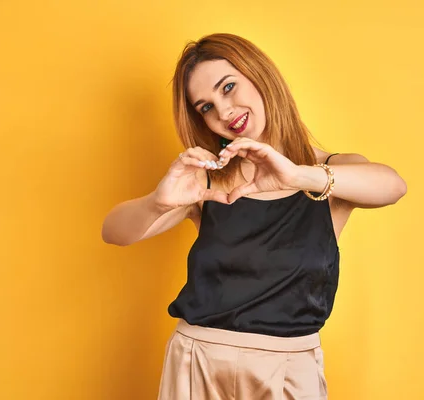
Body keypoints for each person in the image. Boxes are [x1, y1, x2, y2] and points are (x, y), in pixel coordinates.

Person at [102, 33, 407, 400]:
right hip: (198, 363)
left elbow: (393, 185)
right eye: (206, 107)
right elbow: (114, 232)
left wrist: (297, 174)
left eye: (228, 87)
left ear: (259, 74)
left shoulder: (329, 174)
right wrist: (158, 201)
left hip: (289, 371)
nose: (224, 112)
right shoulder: (210, 180)